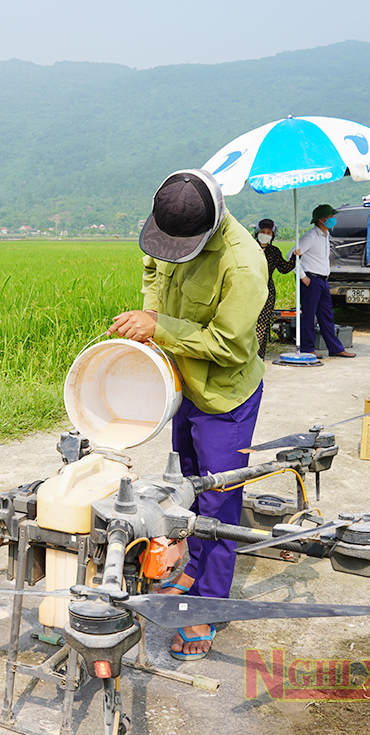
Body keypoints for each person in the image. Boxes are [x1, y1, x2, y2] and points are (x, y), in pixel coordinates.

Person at [108, 169, 266, 661]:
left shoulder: (242, 264)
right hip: (183, 385)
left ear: (212, 226)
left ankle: (208, 608)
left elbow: (231, 345)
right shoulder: (169, 227)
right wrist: (152, 322)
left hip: (223, 395)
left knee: (219, 502)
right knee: (186, 487)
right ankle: (191, 573)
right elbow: (154, 270)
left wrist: (161, 326)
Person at [295, 205, 355, 358]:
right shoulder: (311, 237)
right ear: (322, 220)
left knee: (327, 316)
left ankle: (335, 348)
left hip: (323, 281)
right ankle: (307, 349)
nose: (333, 219)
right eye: (330, 217)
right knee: (309, 316)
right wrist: (303, 277)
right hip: (311, 281)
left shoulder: (326, 235)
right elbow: (292, 257)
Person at [254, 218, 296, 359]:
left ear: (272, 235)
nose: (265, 234)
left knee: (263, 324)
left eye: (268, 232)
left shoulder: (274, 251)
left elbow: (284, 269)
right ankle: (246, 354)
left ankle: (259, 357)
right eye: (263, 231)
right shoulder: (248, 248)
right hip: (249, 289)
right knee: (248, 322)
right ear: (257, 232)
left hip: (267, 291)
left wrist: (294, 258)